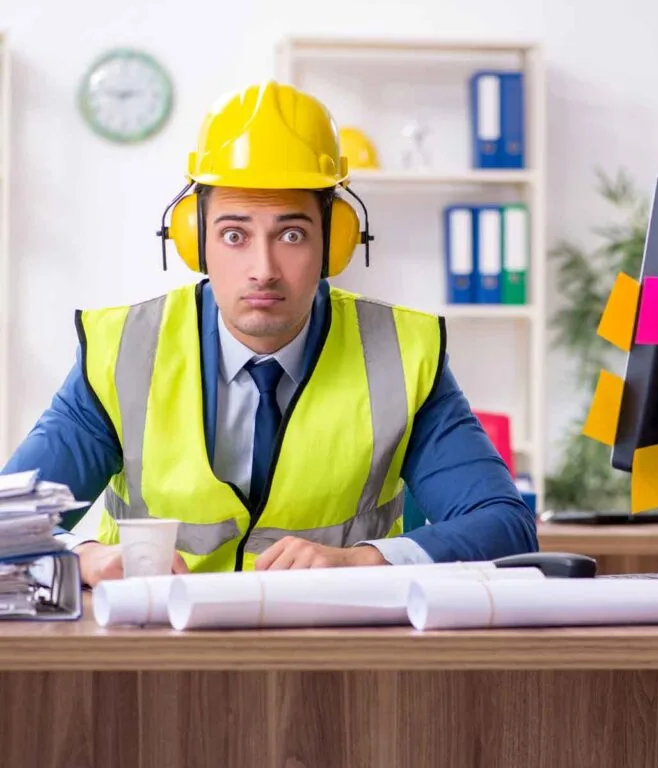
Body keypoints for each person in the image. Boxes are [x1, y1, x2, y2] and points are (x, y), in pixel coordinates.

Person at [1, 81, 537, 587]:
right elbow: (7, 522)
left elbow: (504, 525)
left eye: (292, 234)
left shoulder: (403, 354)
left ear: (335, 243)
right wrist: (88, 557)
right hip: (156, 653)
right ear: (196, 244)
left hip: (336, 655)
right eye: (234, 234)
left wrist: (366, 561)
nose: (264, 268)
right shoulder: (122, 352)